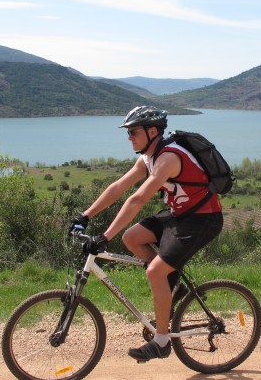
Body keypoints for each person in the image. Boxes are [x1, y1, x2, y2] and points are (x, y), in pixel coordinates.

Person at [69, 105, 223, 362]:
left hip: (202, 219)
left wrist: (105, 236)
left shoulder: (168, 159)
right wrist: (85, 216)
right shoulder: (148, 157)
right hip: (179, 216)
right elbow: (119, 186)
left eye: (134, 132)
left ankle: (162, 342)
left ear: (153, 132)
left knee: (155, 271)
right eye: (128, 132)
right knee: (131, 237)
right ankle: (172, 287)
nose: (129, 137)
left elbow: (137, 199)